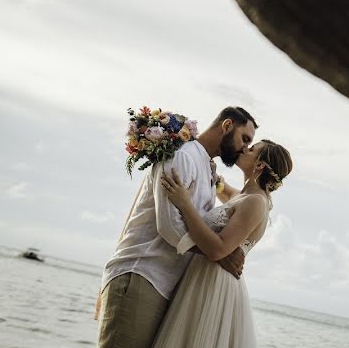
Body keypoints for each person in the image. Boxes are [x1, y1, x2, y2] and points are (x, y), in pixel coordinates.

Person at [96, 106, 258, 348]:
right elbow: (170, 226)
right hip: (142, 273)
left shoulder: (206, 166)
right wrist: (218, 255)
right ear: (226, 126)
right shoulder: (183, 155)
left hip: (165, 284)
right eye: (244, 139)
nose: (244, 148)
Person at [151, 139, 293, 348]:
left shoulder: (256, 202)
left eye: (252, 149)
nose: (245, 148)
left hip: (214, 283)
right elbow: (221, 187)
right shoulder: (243, 195)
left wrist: (184, 203)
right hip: (200, 276)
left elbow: (218, 249)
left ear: (260, 165)